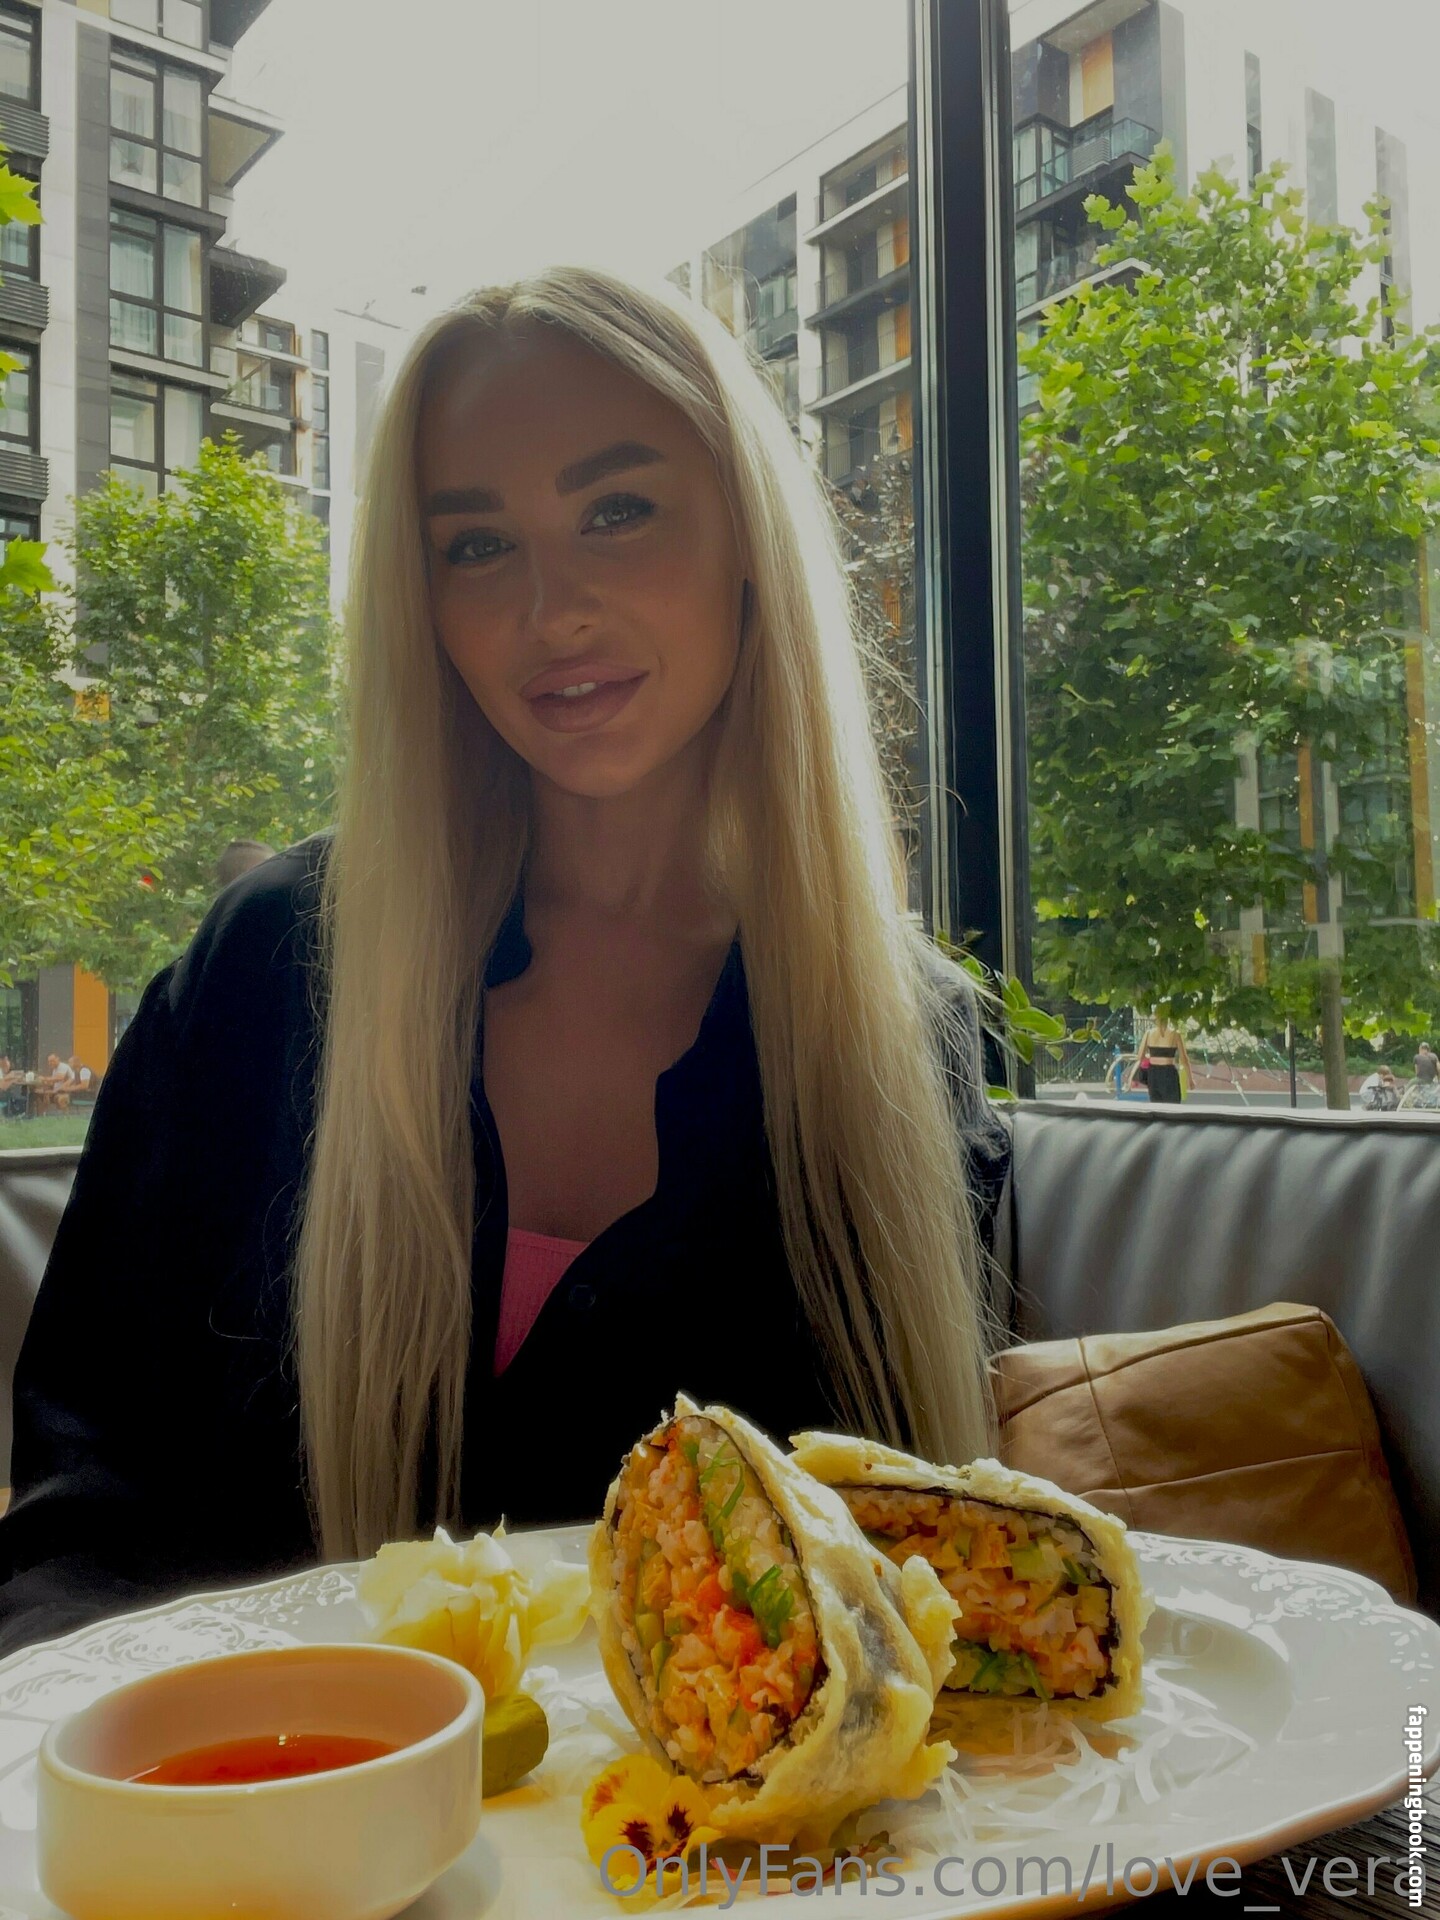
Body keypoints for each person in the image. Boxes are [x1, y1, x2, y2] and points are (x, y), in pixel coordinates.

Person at [0, 267, 1008, 1651]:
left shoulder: (901, 1042)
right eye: (476, 545)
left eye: (618, 511)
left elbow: (908, 1593)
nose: (553, 612)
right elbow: (84, 1516)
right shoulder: (267, 974)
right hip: (257, 1778)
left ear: (748, 538)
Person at [1128, 1009, 1192, 1104]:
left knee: (1156, 1105)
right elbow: (1184, 1059)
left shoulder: (1149, 1033)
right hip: (1168, 1072)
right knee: (1173, 1106)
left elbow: (1140, 1058)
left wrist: (1131, 1077)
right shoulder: (1175, 1034)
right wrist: (1190, 1079)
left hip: (1153, 1073)